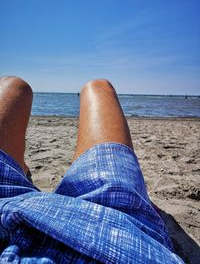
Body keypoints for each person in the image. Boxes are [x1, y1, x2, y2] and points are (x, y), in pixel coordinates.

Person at [0, 76, 184, 263]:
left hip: (110, 231)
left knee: (13, 86)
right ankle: (19, 174)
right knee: (98, 87)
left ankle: (21, 171)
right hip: (110, 231)